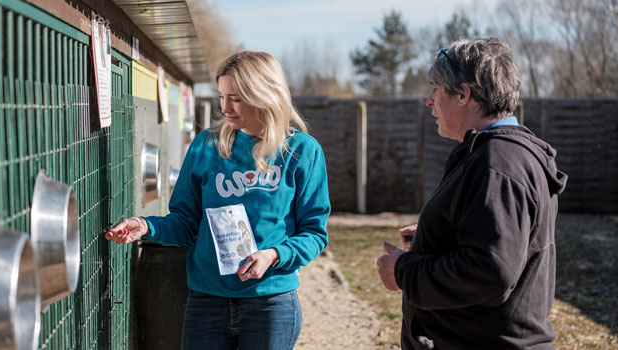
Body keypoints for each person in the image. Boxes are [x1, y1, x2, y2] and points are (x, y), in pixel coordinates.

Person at [106, 50, 330, 349]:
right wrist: (146, 226)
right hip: (206, 301)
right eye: (221, 96)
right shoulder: (206, 146)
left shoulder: (302, 151)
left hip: (270, 303)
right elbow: (186, 222)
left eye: (235, 98)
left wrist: (274, 255)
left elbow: (314, 233)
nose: (224, 107)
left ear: (263, 94)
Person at [376, 37, 567, 349]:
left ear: (463, 94)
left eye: (436, 88)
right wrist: (434, 237)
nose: (429, 100)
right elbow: (498, 247)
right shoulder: (498, 154)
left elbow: (490, 273)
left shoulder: (499, 162)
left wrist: (403, 272)